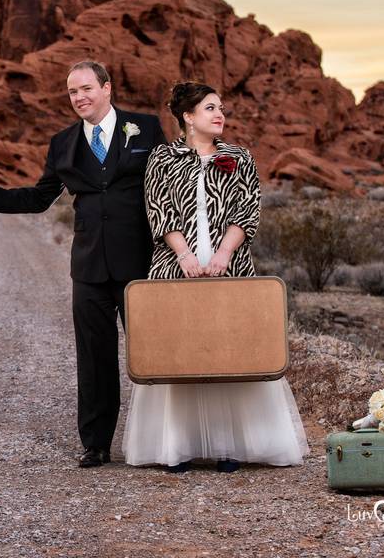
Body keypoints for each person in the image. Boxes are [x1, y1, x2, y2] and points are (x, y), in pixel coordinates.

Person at [0, 60, 166, 468]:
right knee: (94, 356)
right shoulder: (62, 144)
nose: (80, 97)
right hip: (88, 266)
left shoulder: (145, 128)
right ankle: (96, 443)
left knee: (154, 353)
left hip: (139, 262)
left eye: (87, 88)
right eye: (73, 92)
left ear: (107, 88)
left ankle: (163, 440)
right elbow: (40, 198)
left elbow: (167, 183)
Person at [122, 81, 309, 472]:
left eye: (220, 107)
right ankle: (178, 447)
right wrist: (185, 255)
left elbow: (248, 210)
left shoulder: (239, 157)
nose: (219, 114)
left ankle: (230, 446)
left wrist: (224, 253)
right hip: (177, 264)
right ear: (188, 117)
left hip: (230, 265)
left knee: (229, 346)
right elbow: (159, 211)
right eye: (209, 108)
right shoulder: (162, 158)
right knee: (179, 350)